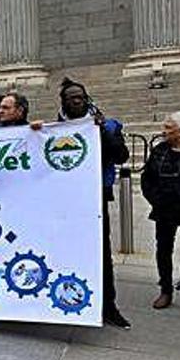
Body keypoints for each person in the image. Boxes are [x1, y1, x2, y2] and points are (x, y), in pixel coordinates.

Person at [57, 77, 131, 328]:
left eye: (81, 97)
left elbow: (122, 155)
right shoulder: (53, 131)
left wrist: (100, 130)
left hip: (96, 198)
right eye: (72, 98)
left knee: (102, 253)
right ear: (63, 103)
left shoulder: (107, 126)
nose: (77, 101)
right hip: (65, 202)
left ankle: (109, 306)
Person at [140, 111, 180, 309]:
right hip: (165, 209)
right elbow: (147, 179)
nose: (164, 132)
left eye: (169, 128)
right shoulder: (160, 150)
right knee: (163, 251)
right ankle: (165, 290)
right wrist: (155, 199)